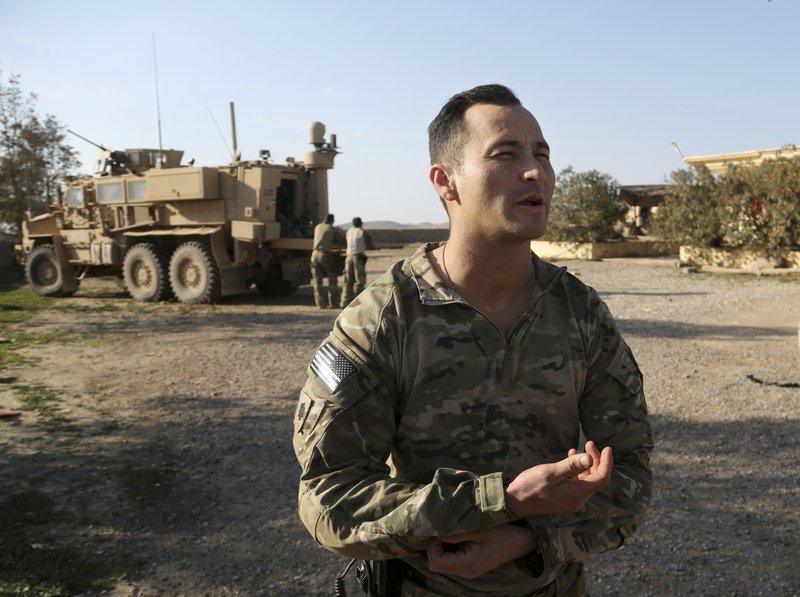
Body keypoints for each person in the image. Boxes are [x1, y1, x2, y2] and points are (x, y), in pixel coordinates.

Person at [294, 84, 653, 596]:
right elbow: (330, 502)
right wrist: (500, 500)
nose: (535, 172)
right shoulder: (381, 320)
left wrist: (530, 538)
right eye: (506, 155)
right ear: (446, 182)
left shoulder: (581, 314)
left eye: (542, 154)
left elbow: (631, 475)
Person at [310, 213, 343, 309]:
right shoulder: (331, 228)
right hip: (324, 255)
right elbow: (340, 240)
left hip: (314, 254)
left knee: (317, 281)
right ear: (332, 220)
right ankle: (334, 303)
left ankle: (320, 304)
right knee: (332, 278)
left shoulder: (318, 227)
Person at [341, 216, 374, 306]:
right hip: (358, 257)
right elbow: (369, 243)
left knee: (348, 281)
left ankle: (344, 302)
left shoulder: (348, 231)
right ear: (361, 223)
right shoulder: (362, 232)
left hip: (348, 257)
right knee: (359, 281)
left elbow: (343, 241)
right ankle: (358, 302)